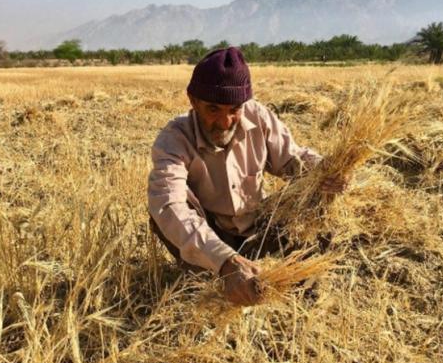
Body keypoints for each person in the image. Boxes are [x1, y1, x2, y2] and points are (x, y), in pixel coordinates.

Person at [147, 48, 347, 306]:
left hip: (259, 230)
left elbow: (291, 158)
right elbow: (168, 205)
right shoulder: (174, 139)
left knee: (317, 200)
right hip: (213, 237)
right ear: (193, 101)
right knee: (162, 211)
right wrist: (224, 260)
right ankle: (209, 277)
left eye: (234, 109)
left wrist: (325, 171)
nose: (224, 121)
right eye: (213, 109)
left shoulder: (257, 116)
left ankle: (299, 290)